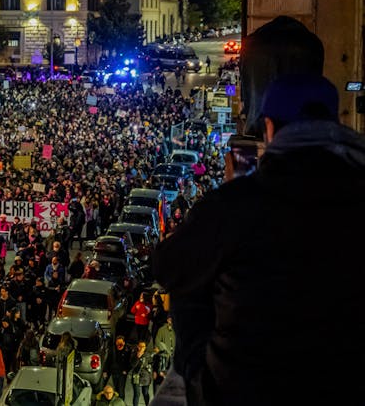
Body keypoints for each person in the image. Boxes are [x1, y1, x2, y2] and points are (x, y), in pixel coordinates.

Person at [152, 74, 365, 406]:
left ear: (269, 128)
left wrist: (228, 195)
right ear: (336, 121)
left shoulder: (240, 203)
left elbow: (169, 267)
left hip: (244, 388)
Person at [105, 336, 131, 400]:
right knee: (115, 389)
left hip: (122, 374)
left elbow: (129, 362)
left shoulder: (127, 351)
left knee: (121, 390)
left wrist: (126, 370)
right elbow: (108, 361)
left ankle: (121, 402)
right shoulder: (112, 350)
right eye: (118, 342)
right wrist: (105, 371)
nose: (119, 344)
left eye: (121, 342)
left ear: (124, 343)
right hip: (114, 372)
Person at [130, 340, 153, 406]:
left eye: (143, 346)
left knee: (145, 393)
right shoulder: (134, 353)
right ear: (137, 346)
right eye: (140, 346)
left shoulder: (148, 355)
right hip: (136, 376)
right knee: (137, 394)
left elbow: (151, 363)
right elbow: (132, 365)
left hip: (145, 376)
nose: (141, 348)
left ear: (145, 347)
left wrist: (149, 369)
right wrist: (137, 357)